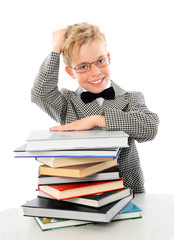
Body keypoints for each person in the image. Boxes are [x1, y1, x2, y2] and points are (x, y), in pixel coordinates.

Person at [31, 22, 159, 193]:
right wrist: (55, 50)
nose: (95, 72)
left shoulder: (131, 98)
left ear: (107, 57)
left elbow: (150, 127)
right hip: (79, 190)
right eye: (83, 67)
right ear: (70, 72)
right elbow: (40, 93)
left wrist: (95, 120)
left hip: (126, 189)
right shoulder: (67, 102)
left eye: (100, 61)